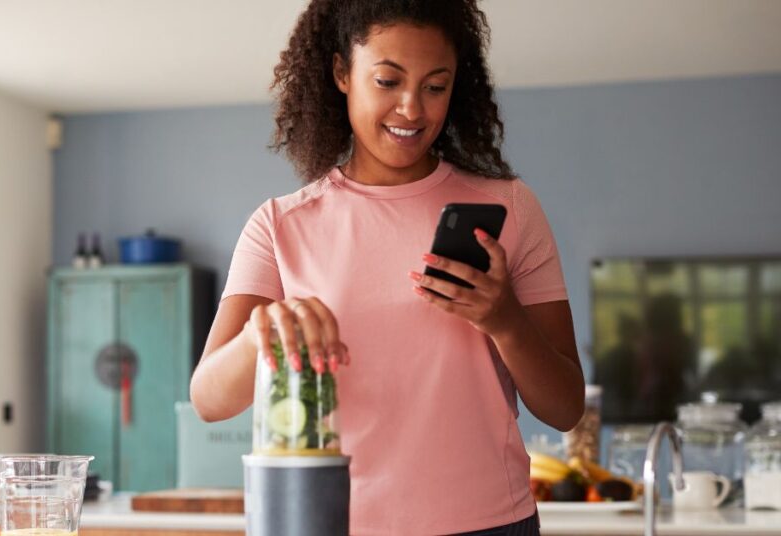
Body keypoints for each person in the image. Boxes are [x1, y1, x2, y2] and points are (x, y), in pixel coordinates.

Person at [189, 1, 585, 533]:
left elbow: (565, 409)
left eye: (435, 86)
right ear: (341, 73)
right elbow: (209, 400)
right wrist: (263, 334)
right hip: (332, 522)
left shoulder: (511, 209)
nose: (412, 109)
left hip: (490, 523)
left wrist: (504, 319)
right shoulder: (281, 226)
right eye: (387, 80)